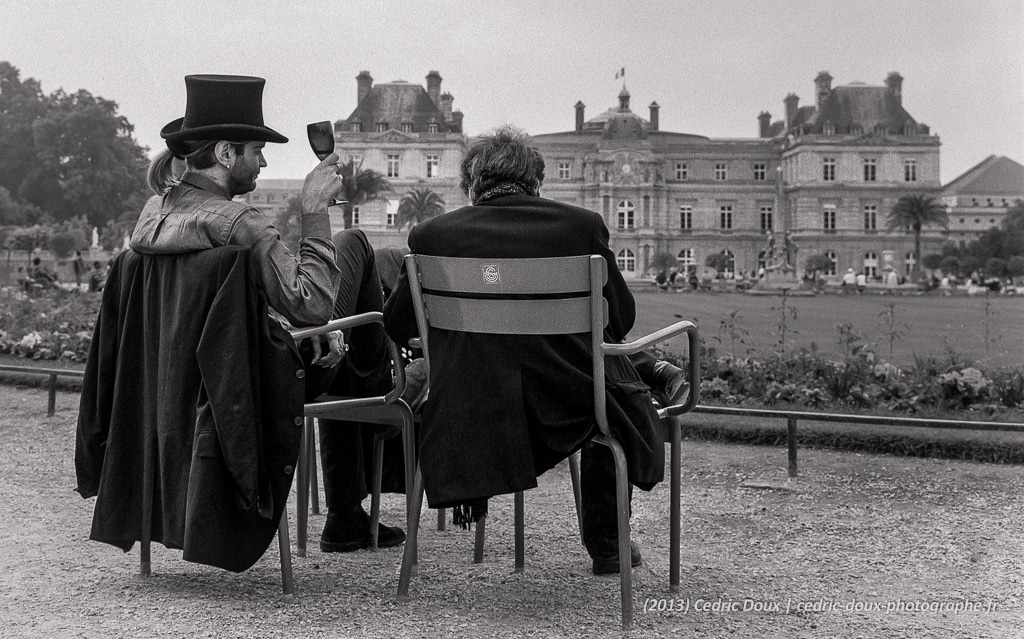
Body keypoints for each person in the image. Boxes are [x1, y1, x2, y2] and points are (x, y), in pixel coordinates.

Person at [383, 126, 688, 575]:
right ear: (537, 182)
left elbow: (399, 324)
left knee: (604, 379)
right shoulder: (580, 227)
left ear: (472, 184)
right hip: (570, 403)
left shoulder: (431, 236)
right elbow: (618, 320)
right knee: (612, 393)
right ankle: (608, 542)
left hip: (470, 405)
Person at [128, 74, 406, 554]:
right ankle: (383, 390)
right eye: (257, 150)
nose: (264, 160)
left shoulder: (153, 216)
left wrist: (277, 322)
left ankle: (348, 502)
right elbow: (314, 303)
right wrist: (315, 206)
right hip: (261, 379)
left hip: (191, 380)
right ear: (224, 154)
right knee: (357, 247)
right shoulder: (241, 223)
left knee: (342, 342)